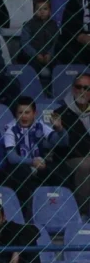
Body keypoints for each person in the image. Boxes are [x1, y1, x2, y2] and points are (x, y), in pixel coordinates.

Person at [1, 96, 64, 208]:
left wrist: (59, 129)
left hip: (39, 165)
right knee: (23, 171)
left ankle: (58, 207)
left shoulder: (40, 125)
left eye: (27, 112)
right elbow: (12, 157)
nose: (24, 116)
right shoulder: (10, 128)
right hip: (19, 167)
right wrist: (32, 162)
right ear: (16, 114)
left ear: (34, 113)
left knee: (60, 170)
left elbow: (61, 143)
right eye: (20, 112)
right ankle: (24, 210)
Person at [55, 73, 90, 210]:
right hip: (69, 158)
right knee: (85, 165)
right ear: (72, 89)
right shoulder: (60, 113)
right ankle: (83, 210)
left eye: (87, 88)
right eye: (78, 87)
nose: (82, 91)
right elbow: (66, 145)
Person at [19, 0, 58, 72]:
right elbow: (25, 43)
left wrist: (50, 54)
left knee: (58, 66)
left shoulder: (54, 25)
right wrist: (36, 54)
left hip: (50, 57)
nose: (42, 11)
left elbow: (55, 42)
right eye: (38, 9)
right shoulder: (28, 25)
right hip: (32, 56)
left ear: (50, 11)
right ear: (34, 11)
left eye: (45, 9)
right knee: (32, 67)